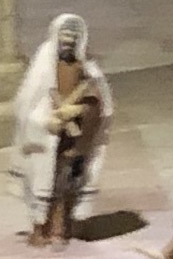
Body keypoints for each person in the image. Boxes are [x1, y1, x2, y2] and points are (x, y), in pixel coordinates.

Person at [10, 15, 111, 246]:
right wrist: (45, 121)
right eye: (64, 38)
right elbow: (28, 103)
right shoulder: (44, 65)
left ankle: (60, 228)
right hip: (46, 138)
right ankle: (39, 228)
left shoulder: (85, 66)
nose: (68, 44)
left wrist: (78, 110)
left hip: (72, 137)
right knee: (42, 180)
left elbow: (98, 100)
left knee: (65, 183)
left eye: (73, 39)